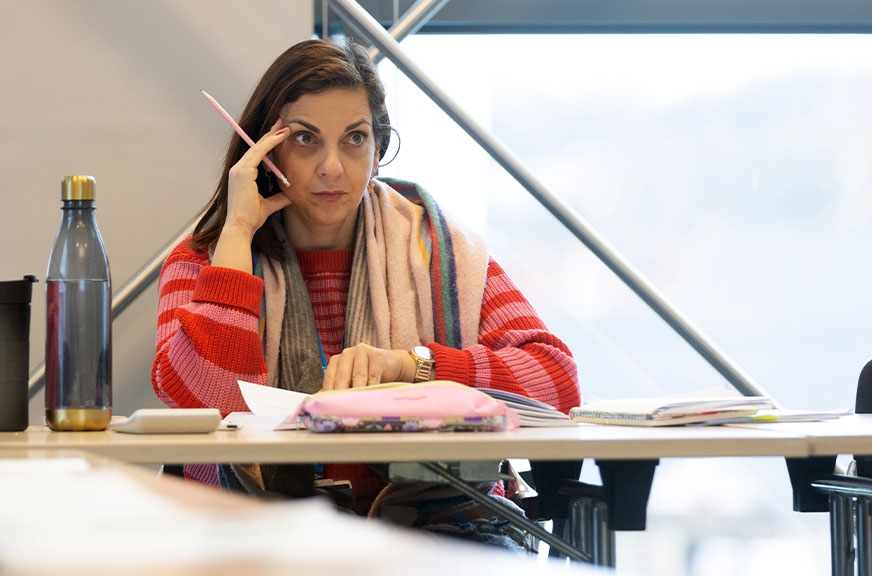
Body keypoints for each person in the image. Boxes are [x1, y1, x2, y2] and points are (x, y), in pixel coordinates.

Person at [152, 38, 579, 550]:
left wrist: (412, 367)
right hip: (253, 533)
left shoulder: (440, 251)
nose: (332, 166)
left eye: (354, 138)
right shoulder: (205, 260)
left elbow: (557, 381)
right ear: (267, 150)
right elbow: (210, 401)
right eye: (306, 138)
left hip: (435, 530)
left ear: (378, 149)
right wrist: (239, 231)